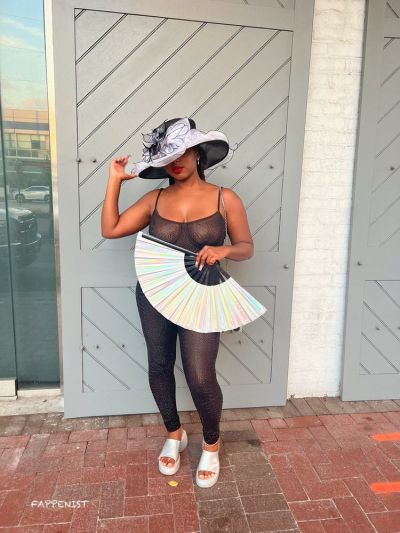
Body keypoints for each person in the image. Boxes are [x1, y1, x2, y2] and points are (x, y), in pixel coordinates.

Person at [101, 117, 254, 488]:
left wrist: (224, 250)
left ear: (198, 152)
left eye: (181, 152)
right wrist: (114, 180)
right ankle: (174, 434)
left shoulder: (225, 198)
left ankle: (211, 444)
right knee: (159, 364)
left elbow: (246, 247)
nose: (176, 162)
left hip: (203, 293)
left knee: (200, 375)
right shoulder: (154, 199)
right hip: (156, 292)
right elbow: (111, 228)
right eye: (167, 156)